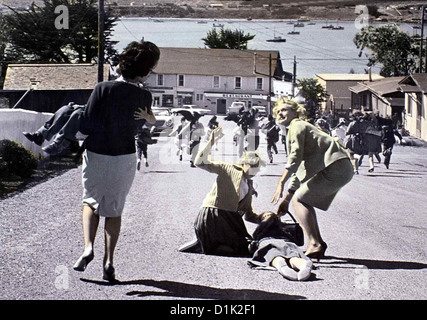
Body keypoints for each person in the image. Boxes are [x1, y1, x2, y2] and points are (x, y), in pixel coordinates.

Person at [72, 41, 159, 282]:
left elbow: (86, 124)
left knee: (91, 201)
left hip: (98, 152)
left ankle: (88, 248)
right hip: (124, 155)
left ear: (122, 65)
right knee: (114, 208)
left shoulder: (102, 88)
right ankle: (109, 260)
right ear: (145, 70)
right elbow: (138, 125)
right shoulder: (144, 95)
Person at [271, 98, 353, 261]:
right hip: (339, 166)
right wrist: (286, 199)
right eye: (278, 111)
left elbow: (294, 159)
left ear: (295, 111)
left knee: (300, 200)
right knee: (301, 199)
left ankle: (315, 243)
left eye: (285, 109)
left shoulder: (297, 125)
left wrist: (281, 183)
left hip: (336, 166)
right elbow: (300, 169)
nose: (281, 113)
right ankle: (317, 243)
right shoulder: (296, 128)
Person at [179, 127, 266, 256]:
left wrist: (266, 220)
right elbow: (199, 162)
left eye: (257, 170)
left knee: (246, 248)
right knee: (240, 249)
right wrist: (211, 142)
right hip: (213, 215)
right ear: (245, 163)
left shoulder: (249, 185)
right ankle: (203, 241)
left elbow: (248, 215)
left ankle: (204, 243)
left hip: (230, 219)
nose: (255, 172)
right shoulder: (228, 168)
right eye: (253, 167)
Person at [248, 212, 313, 281]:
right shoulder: (283, 228)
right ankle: (302, 264)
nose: (268, 216)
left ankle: (280, 264)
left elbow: (254, 241)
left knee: (273, 255)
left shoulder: (260, 230)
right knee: (293, 256)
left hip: (268, 242)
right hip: (286, 242)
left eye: (270, 215)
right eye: (266, 216)